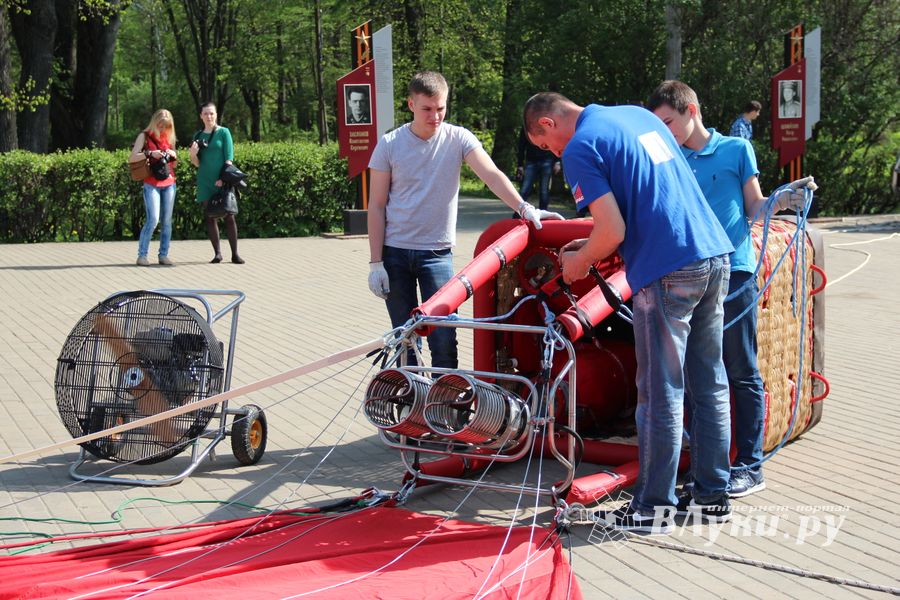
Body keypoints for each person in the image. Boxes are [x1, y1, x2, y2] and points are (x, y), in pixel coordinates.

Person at [523, 92, 734, 534]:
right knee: (708, 379)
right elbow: (645, 202)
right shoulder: (637, 116)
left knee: (660, 392)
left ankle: (653, 507)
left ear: (547, 123)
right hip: (713, 254)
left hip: (667, 269)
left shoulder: (581, 147)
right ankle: (713, 494)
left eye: (547, 146)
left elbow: (613, 229)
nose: (554, 154)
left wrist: (578, 263)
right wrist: (589, 245)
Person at [647, 81, 815, 502]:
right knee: (694, 377)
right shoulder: (667, 158)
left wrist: (784, 200)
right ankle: (704, 468)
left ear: (692, 111)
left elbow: (754, 207)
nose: (665, 131)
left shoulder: (736, 150)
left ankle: (750, 465)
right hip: (687, 274)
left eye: (668, 122)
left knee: (740, 369)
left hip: (734, 272)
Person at [367, 71, 562, 368]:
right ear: (410, 104)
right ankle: (410, 404)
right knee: (405, 337)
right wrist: (375, 262)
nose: (435, 116)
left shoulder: (458, 138)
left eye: (441, 108)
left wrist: (524, 208)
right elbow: (377, 205)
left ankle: (446, 408)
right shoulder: (390, 144)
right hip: (395, 253)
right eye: (427, 109)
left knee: (444, 338)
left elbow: (492, 175)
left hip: (436, 253)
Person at [190, 102, 244, 264]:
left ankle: (235, 254)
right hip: (205, 180)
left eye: (212, 113)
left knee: (229, 216)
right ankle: (217, 254)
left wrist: (223, 178)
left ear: (216, 115)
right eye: (206, 114)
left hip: (222, 180)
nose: (209, 116)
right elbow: (196, 163)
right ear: (201, 116)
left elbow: (229, 158)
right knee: (210, 216)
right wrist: (192, 154)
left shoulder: (224, 132)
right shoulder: (198, 136)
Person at [129, 109, 178, 267]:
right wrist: (150, 153)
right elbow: (132, 158)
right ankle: (142, 256)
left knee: (167, 221)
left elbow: (174, 164)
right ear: (154, 123)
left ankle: (163, 255)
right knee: (153, 220)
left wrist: (173, 155)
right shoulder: (144, 136)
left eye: (167, 125)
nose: (163, 128)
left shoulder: (170, 137)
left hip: (169, 182)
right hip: (151, 184)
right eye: (160, 125)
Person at [516, 127, 561, 211]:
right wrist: (520, 165)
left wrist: (557, 161)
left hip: (547, 160)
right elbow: (521, 145)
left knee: (544, 190)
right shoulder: (527, 125)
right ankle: (518, 212)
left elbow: (555, 142)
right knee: (525, 189)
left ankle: (543, 213)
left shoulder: (548, 125)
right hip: (531, 160)